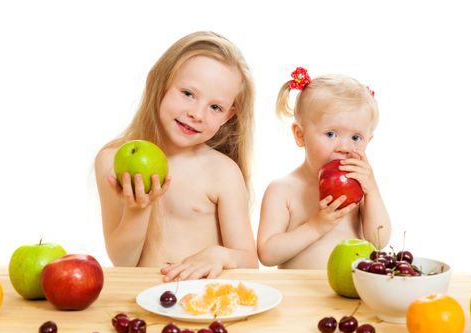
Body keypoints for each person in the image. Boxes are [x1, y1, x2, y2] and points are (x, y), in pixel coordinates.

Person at [95, 31, 258, 280]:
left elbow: (249, 263)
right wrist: (137, 209)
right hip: (142, 300)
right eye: (188, 94)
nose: (197, 113)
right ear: (157, 82)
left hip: (202, 302)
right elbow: (122, 261)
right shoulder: (111, 159)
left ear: (228, 116)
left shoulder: (221, 172)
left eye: (215, 107)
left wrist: (220, 254)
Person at [257, 67, 391, 269]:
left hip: (350, 293)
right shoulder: (283, 189)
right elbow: (267, 254)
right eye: (330, 134)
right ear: (300, 135)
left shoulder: (360, 188)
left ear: (369, 140)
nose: (344, 148)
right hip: (300, 295)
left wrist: (372, 191)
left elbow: (379, 240)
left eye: (356, 138)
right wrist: (315, 226)